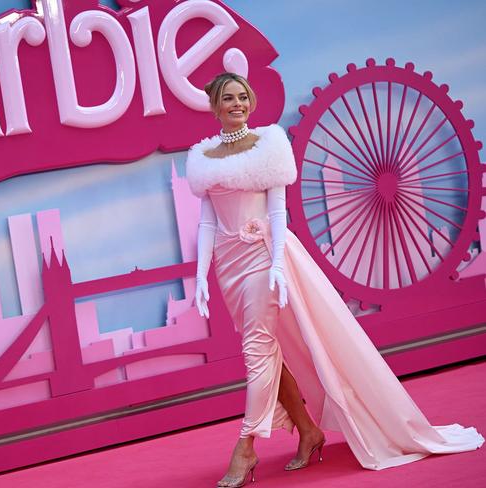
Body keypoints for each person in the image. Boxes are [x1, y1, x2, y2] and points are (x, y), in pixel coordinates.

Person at [185, 72, 484, 488]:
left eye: (242, 97)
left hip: (264, 258)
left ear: (249, 102)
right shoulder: (202, 158)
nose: (237, 104)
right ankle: (308, 430)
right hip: (228, 266)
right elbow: (206, 223)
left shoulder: (270, 145)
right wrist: (200, 275)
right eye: (228, 99)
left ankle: (245, 447)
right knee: (270, 352)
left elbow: (276, 213)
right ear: (215, 106)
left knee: (258, 351)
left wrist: (275, 266)